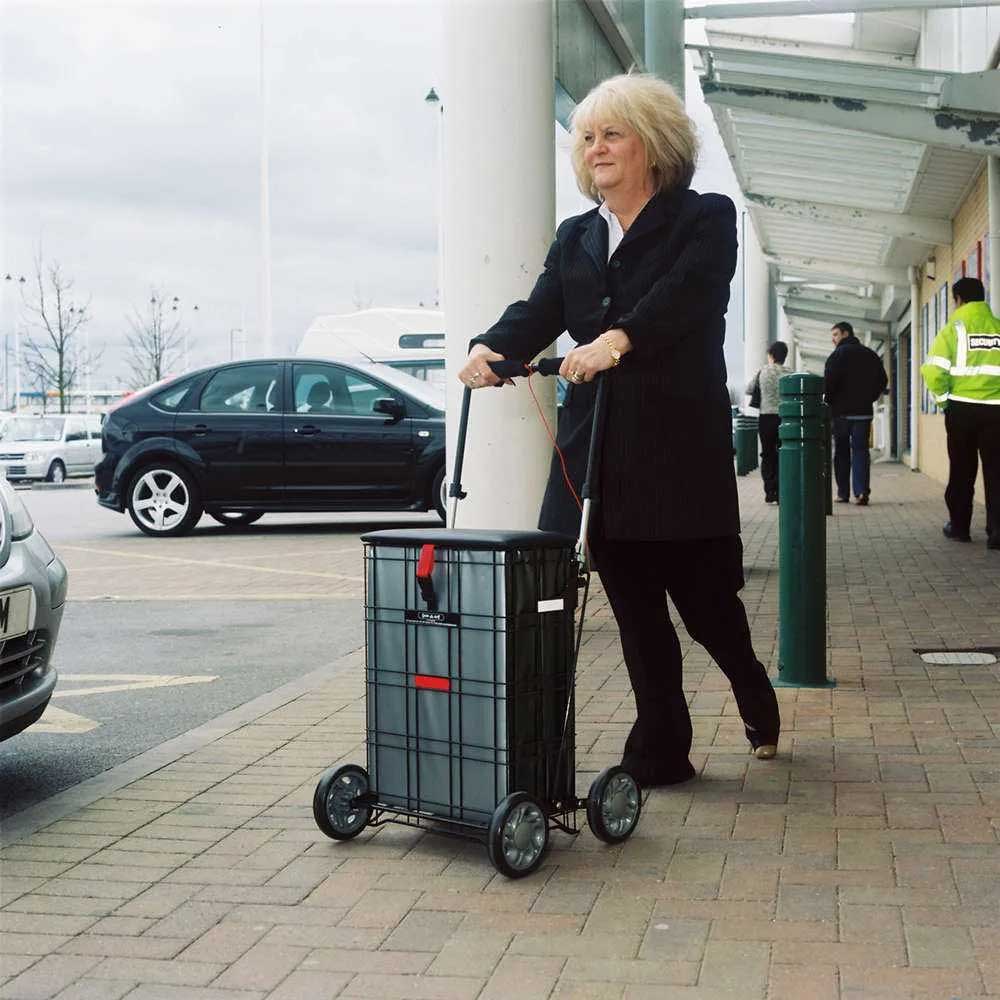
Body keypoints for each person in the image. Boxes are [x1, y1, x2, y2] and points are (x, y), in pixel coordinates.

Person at [457, 73, 780, 787]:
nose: (595, 148)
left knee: (704, 606)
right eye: (586, 137)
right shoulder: (578, 235)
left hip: (675, 448)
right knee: (634, 607)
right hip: (598, 451)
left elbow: (688, 294)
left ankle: (750, 684)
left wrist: (618, 339)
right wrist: (490, 347)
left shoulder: (704, 218)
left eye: (613, 134)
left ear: (654, 145)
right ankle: (662, 747)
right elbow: (540, 310)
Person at [920, 277, 1000, 550]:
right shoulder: (999, 328)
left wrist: (944, 402)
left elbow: (932, 371)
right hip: (996, 412)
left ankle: (960, 527)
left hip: (962, 411)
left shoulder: (953, 329)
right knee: (997, 471)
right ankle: (997, 533)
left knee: (962, 470)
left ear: (958, 299)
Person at [824, 321, 888, 505]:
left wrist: (830, 403)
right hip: (863, 413)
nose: (832, 339)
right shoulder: (870, 355)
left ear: (846, 334)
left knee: (841, 452)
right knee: (861, 451)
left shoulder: (836, 356)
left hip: (841, 414)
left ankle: (842, 493)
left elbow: (828, 383)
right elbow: (882, 380)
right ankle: (861, 492)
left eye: (835, 334)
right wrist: (870, 397)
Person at [746, 341, 791, 503]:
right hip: (785, 418)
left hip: (766, 418)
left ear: (771, 355)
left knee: (767, 454)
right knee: (784, 453)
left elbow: (749, 389)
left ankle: (769, 491)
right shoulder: (790, 372)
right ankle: (781, 491)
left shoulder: (762, 371)